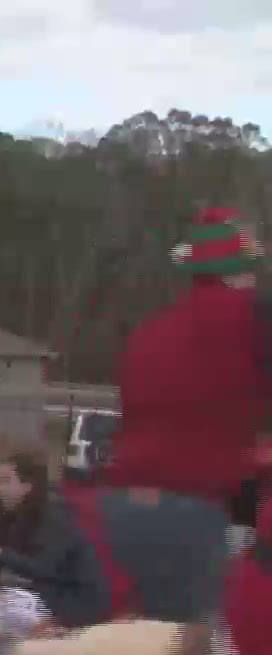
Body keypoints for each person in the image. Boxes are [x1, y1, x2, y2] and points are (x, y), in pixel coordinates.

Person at [90, 206, 271, 621]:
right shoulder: (251, 318)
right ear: (235, 268)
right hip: (198, 513)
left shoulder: (147, 333)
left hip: (118, 513)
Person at [0, 452, 108, 630]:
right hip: (33, 598)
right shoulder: (6, 517)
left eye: (4, 482)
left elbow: (45, 568)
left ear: (28, 486)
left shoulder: (54, 519)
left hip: (68, 605)